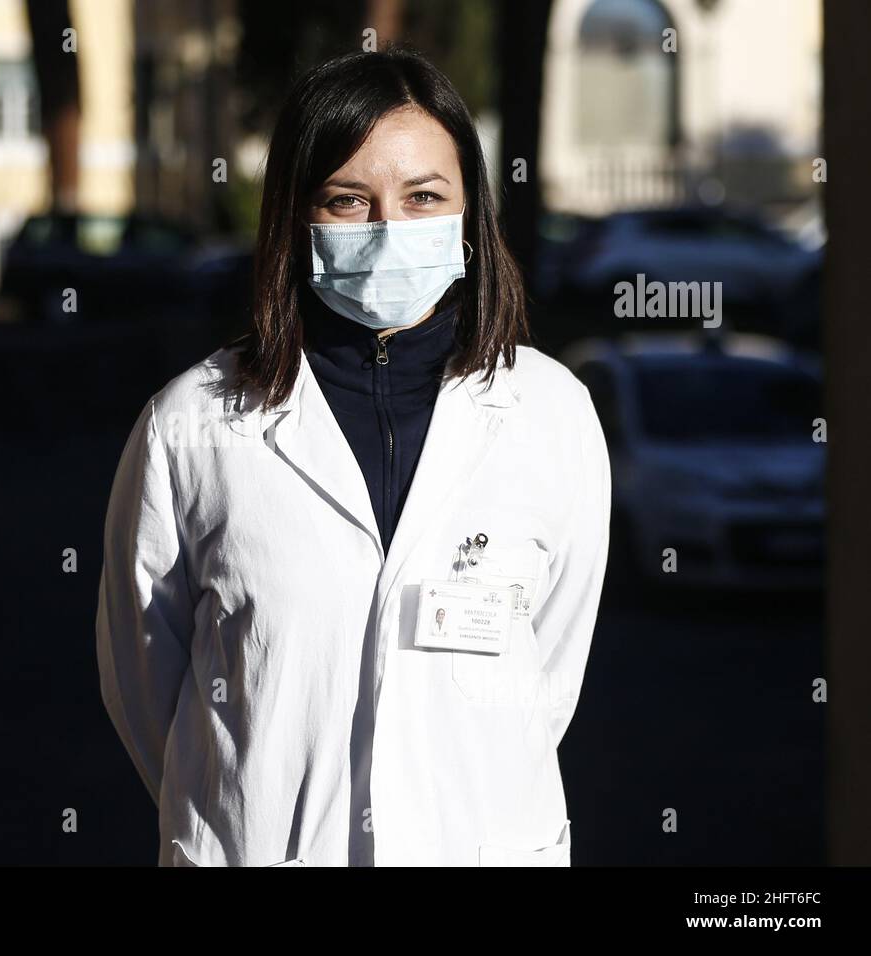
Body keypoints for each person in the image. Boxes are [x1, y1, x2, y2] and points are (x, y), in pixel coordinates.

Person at [96, 47, 610, 867]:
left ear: (471, 214)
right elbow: (142, 686)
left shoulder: (551, 415)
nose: (387, 230)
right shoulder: (190, 425)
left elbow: (548, 674)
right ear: (294, 218)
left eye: (423, 197)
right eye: (347, 199)